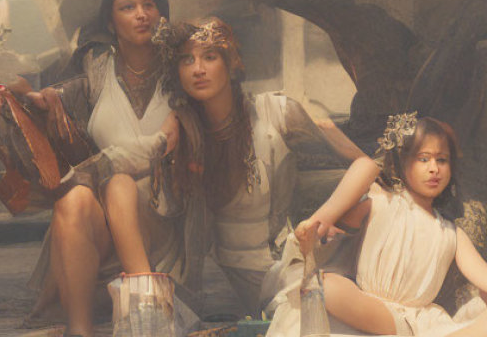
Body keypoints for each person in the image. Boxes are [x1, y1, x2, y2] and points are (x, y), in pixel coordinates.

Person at [154, 17, 373, 317]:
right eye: (186, 60)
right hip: (213, 287)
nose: (198, 69)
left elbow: (365, 166)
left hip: (278, 271)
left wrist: (321, 219)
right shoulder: (180, 131)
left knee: (317, 312)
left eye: (210, 56)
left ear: (231, 62)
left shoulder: (276, 114)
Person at [264, 115, 487, 337]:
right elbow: (364, 169)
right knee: (328, 287)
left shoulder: (451, 232)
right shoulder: (381, 202)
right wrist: (322, 223)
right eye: (423, 158)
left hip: (416, 319)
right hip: (370, 305)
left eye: (442, 160)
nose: (434, 169)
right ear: (402, 161)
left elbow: (481, 274)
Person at [22, 0, 175, 337]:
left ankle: (150, 308)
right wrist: (28, 95)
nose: (141, 14)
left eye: (148, 5)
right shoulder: (96, 67)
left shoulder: (182, 68)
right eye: (128, 7)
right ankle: (80, 335)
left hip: (163, 209)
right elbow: (55, 96)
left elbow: (173, 138)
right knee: (72, 199)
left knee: (119, 183)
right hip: (105, 213)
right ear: (111, 23)